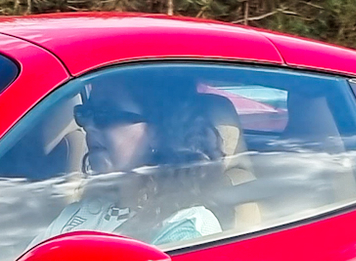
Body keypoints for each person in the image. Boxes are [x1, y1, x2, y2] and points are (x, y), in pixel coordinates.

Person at [40, 76, 229, 248]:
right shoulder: (81, 211)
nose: (89, 126)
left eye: (106, 113)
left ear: (158, 131)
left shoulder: (187, 228)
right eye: (86, 112)